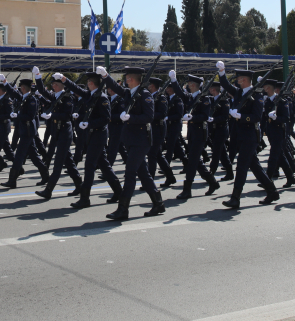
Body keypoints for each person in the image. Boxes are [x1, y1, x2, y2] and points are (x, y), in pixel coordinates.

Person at [98, 65, 166, 220]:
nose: (125, 80)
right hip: (131, 139)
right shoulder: (130, 93)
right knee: (144, 174)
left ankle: (123, 209)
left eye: (127, 78)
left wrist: (131, 118)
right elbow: (116, 87)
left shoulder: (145, 94)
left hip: (141, 140)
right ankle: (158, 203)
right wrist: (105, 76)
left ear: (131, 79)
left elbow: (149, 116)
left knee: (130, 174)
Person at [217, 63, 279, 208]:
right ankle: (272, 191)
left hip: (250, 135)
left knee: (242, 166)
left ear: (245, 80)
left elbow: (257, 116)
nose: (237, 81)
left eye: (239, 79)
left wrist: (241, 116)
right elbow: (225, 85)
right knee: (254, 166)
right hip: (240, 135)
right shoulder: (239, 92)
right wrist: (221, 72)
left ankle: (235, 198)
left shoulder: (257, 95)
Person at [61, 71, 123, 208]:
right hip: (92, 135)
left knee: (89, 166)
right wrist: (65, 80)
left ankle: (85, 198)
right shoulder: (90, 95)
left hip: (99, 134)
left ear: (91, 83)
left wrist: (90, 124)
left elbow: (106, 118)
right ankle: (119, 191)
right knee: (105, 166)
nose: (86, 84)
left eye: (88, 81)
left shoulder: (102, 98)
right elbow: (77, 89)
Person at [33, 67, 82, 200]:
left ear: (59, 86)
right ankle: (79, 185)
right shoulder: (55, 96)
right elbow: (42, 91)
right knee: (68, 161)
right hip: (57, 132)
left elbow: (67, 115)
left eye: (54, 85)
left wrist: (52, 114)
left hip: (65, 132)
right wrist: (38, 76)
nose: (52, 87)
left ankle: (48, 190)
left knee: (58, 163)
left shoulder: (68, 98)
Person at [168, 72, 218, 199]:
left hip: (200, 133)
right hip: (192, 133)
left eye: (190, 83)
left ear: (194, 85)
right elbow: (180, 93)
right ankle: (212, 182)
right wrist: (173, 80)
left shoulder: (204, 98)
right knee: (196, 160)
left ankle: (187, 189)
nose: (188, 85)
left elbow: (205, 116)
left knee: (192, 161)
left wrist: (193, 117)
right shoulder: (190, 97)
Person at [0, 77, 49, 189]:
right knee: (34, 156)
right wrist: (5, 83)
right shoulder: (23, 97)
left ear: (23, 87)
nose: (20, 89)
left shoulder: (32, 100)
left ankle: (12, 180)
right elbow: (12, 92)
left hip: (28, 131)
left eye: (21, 87)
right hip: (24, 130)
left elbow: (30, 116)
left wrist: (18, 116)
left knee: (19, 156)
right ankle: (45, 175)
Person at [261, 79, 295, 188]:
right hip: (271, 132)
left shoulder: (281, 101)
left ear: (269, 88)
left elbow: (286, 118)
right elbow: (264, 118)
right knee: (280, 156)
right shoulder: (267, 101)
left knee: (273, 157)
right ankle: (291, 178)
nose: (263, 89)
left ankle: (267, 180)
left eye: (265, 87)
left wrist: (276, 118)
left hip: (279, 132)